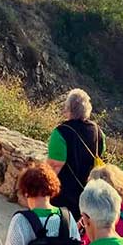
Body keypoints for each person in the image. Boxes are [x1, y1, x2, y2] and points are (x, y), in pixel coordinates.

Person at [46, 89, 106, 221]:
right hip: (87, 196)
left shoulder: (61, 132)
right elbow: (101, 155)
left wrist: (41, 190)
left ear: (68, 109)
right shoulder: (98, 131)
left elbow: (54, 167)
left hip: (62, 195)